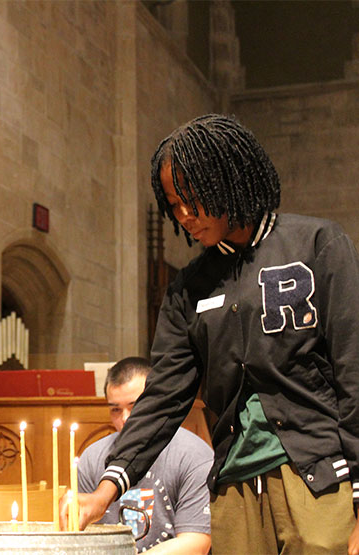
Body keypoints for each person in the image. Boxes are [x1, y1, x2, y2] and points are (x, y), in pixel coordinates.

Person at [64, 114, 359, 554]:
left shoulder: (318, 244)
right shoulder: (188, 288)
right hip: (234, 487)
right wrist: (105, 490)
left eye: (192, 199)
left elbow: (352, 369)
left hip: (317, 477)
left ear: (227, 180)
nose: (184, 216)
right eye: (173, 205)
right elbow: (163, 396)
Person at [77, 357, 212, 553]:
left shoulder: (194, 455)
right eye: (116, 409)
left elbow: (196, 544)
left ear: (155, 404)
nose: (125, 419)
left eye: (135, 406)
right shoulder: (92, 458)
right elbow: (85, 538)